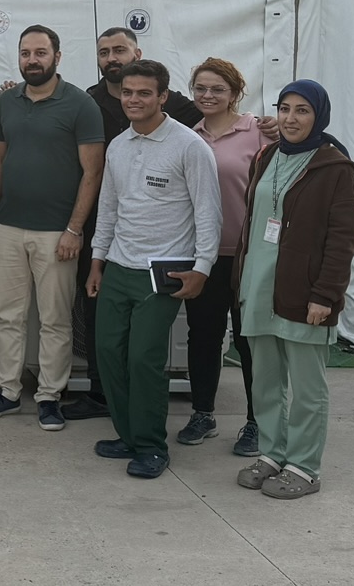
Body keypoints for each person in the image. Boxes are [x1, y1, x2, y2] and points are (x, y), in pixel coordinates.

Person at [86, 59, 222, 479]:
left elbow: (209, 213)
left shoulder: (190, 147)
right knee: (108, 353)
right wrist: (97, 261)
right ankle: (128, 435)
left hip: (162, 270)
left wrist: (202, 267)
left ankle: (150, 447)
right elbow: (108, 208)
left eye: (144, 93)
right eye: (128, 92)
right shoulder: (118, 145)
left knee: (144, 359)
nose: (134, 100)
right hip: (117, 264)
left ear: (163, 96)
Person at [62, 24, 202, 418]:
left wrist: (259, 123)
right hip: (103, 228)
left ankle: (146, 412)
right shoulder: (87, 102)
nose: (112, 58)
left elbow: (215, 115)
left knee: (145, 340)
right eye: (104, 52)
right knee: (98, 316)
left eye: (119, 50)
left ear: (136, 55)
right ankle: (102, 393)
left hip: (160, 242)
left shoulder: (172, 104)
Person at [233, 81, 354, 500]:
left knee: (307, 387)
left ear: (318, 115)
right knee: (265, 381)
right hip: (259, 286)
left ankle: (304, 467)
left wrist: (325, 294)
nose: (290, 118)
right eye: (284, 108)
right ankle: (273, 454)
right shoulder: (266, 156)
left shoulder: (335, 168)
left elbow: (343, 239)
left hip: (305, 293)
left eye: (302, 110)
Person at [0, 25, 105, 430]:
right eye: (25, 53)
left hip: (57, 232)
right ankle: (7, 390)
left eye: (40, 53)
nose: (32, 60)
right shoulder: (7, 101)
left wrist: (74, 229)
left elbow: (93, 172)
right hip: (8, 227)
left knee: (54, 319)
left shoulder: (81, 105)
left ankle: (50, 395)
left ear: (57, 57)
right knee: (8, 315)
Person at [182, 57, 269, 455]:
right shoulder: (188, 135)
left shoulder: (259, 132)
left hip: (248, 255)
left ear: (235, 93)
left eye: (217, 89)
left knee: (250, 340)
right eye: (201, 88)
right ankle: (203, 413)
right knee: (202, 335)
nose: (208, 95)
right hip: (204, 255)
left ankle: (257, 421)